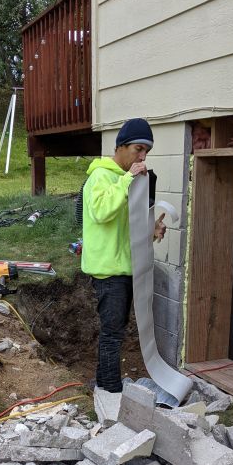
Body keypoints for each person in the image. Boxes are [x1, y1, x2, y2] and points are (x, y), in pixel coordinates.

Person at [81, 118, 166, 392]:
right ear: (121, 146)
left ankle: (104, 382)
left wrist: (152, 230)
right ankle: (109, 388)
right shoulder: (101, 176)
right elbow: (101, 212)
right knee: (112, 331)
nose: (142, 157)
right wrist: (127, 180)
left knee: (116, 329)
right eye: (138, 149)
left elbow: (128, 226)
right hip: (108, 270)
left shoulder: (127, 180)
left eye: (146, 152)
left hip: (127, 267)